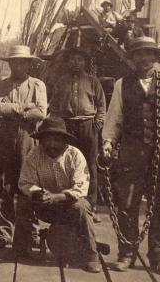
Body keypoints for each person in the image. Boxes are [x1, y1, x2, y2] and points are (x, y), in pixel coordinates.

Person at [102, 37, 160, 276]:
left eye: (148, 54)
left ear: (155, 58)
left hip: (159, 151)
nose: (144, 59)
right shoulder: (122, 84)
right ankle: (126, 253)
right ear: (132, 58)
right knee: (128, 203)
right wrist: (108, 144)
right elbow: (113, 119)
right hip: (130, 150)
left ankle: (159, 256)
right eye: (139, 54)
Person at [15, 117, 102, 273]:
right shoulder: (34, 155)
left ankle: (91, 255)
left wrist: (57, 197)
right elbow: (24, 182)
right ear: (41, 140)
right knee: (23, 201)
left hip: (70, 205)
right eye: (48, 140)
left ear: (65, 141)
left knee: (81, 206)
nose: (52, 145)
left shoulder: (75, 155)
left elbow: (80, 188)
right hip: (45, 204)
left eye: (57, 140)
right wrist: (38, 193)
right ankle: (22, 247)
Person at [0, 45, 47, 249]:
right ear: (10, 63)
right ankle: (3, 232)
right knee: (4, 184)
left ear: (29, 63)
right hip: (6, 137)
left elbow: (40, 112)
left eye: (23, 61)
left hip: (29, 137)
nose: (18, 65)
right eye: (14, 61)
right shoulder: (1, 85)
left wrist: (14, 110)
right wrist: (25, 107)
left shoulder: (37, 85)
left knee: (30, 184)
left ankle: (31, 231)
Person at [49, 48, 106, 220]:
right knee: (67, 164)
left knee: (90, 165)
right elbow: (54, 107)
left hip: (88, 125)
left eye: (80, 60)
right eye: (72, 59)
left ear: (85, 63)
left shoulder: (93, 81)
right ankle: (68, 204)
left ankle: (91, 206)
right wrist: (59, 126)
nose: (76, 63)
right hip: (67, 127)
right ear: (67, 62)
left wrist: (97, 123)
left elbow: (102, 106)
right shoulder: (61, 82)